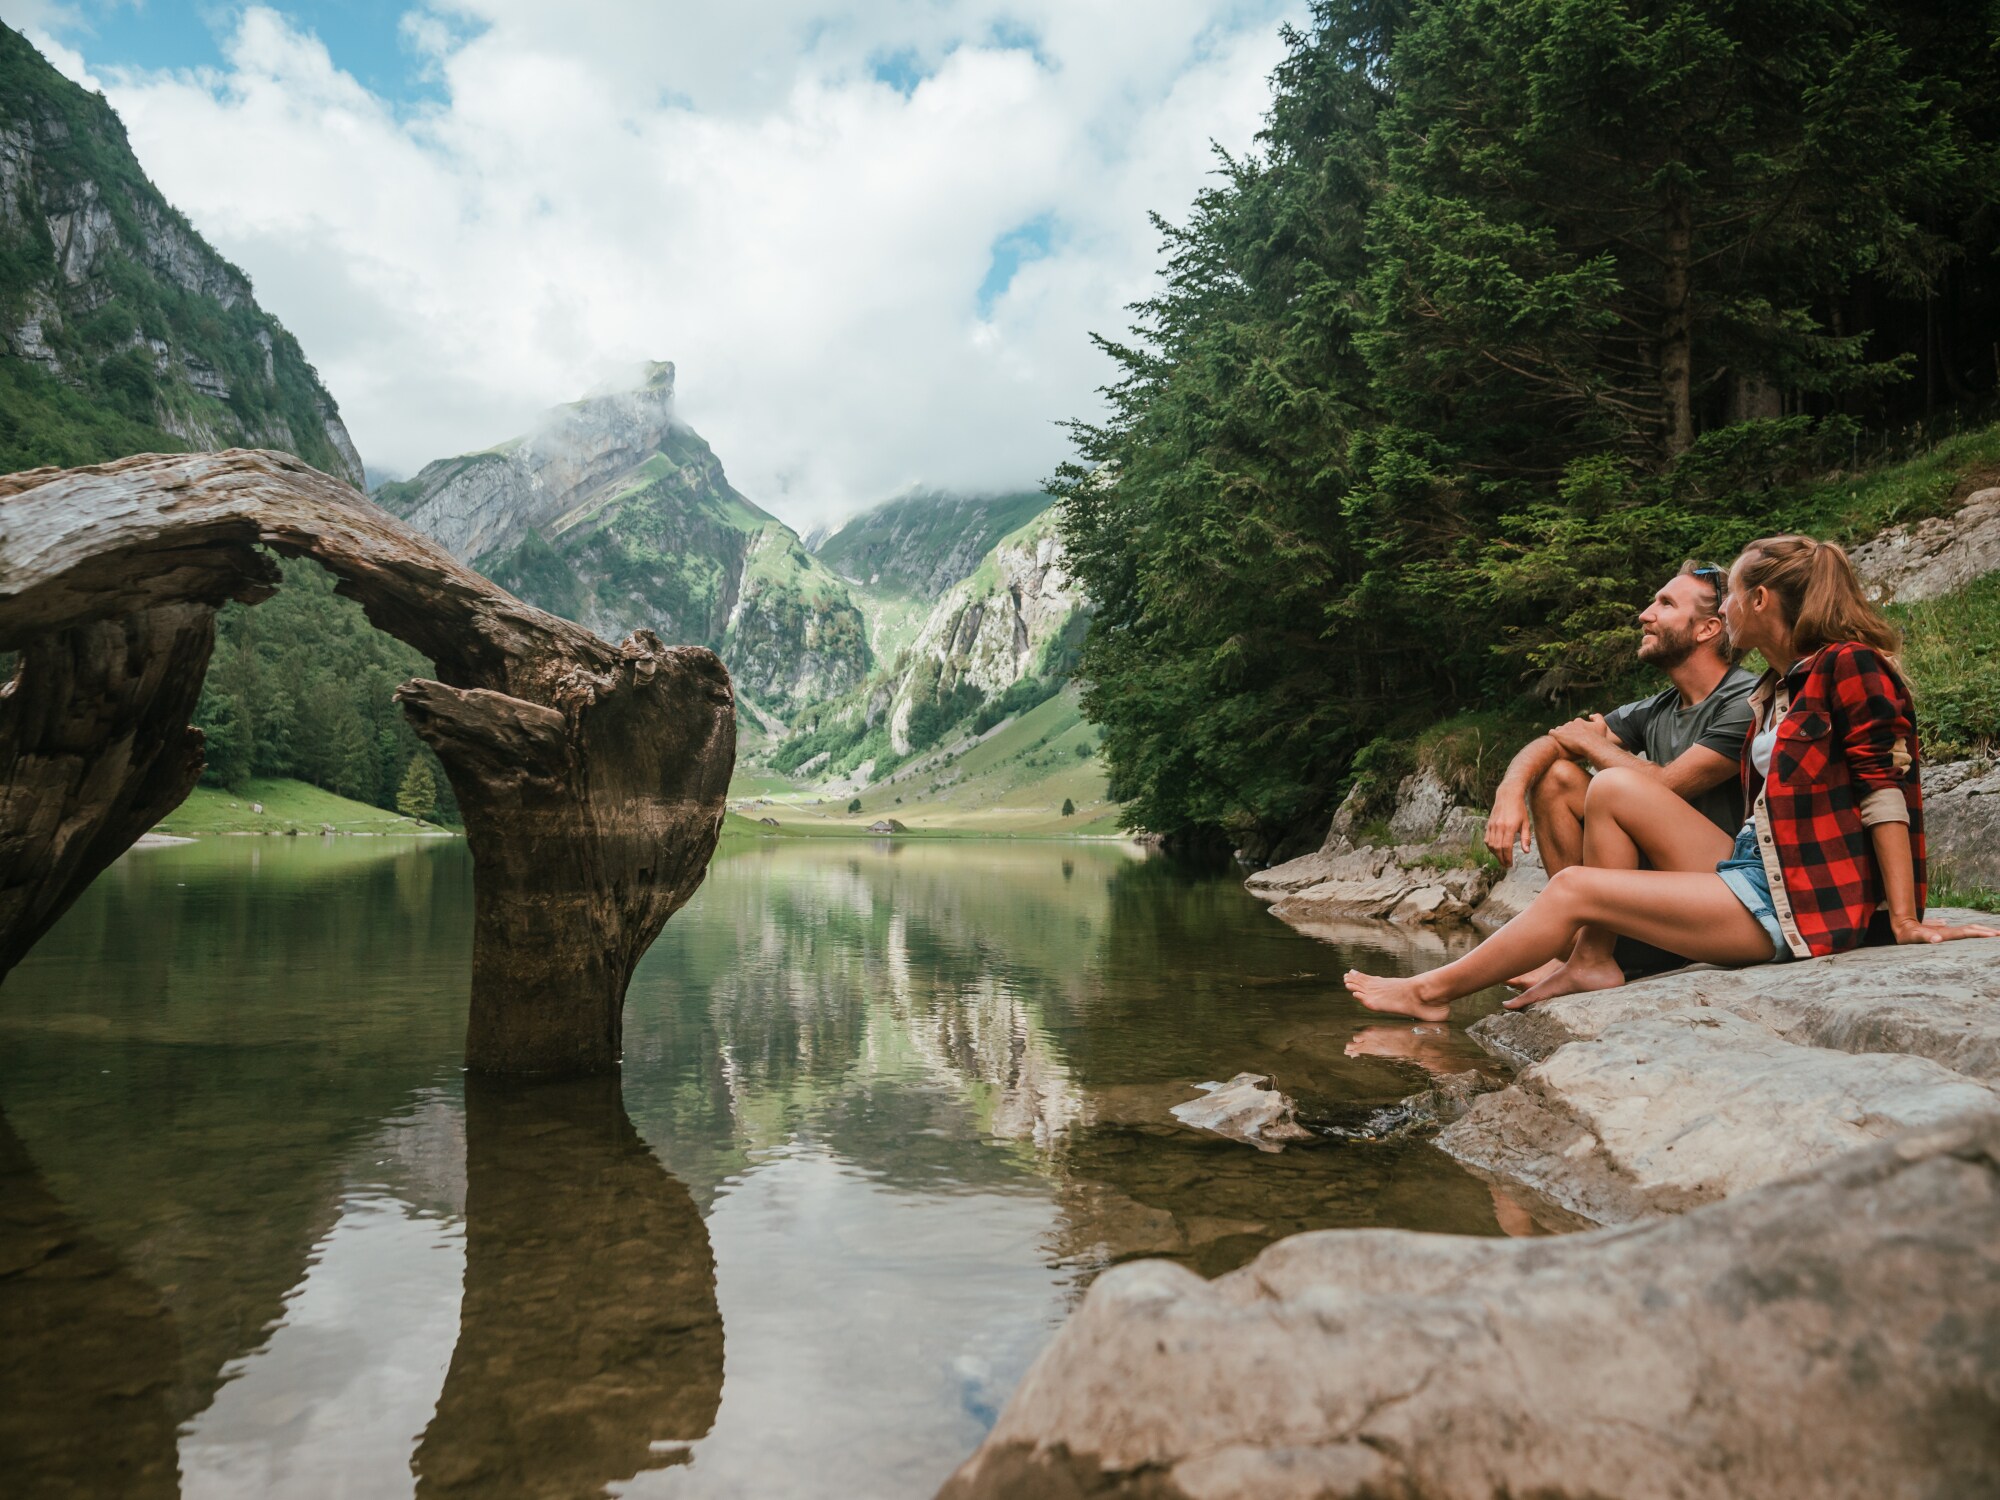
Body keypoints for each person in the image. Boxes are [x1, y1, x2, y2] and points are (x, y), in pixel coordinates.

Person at [1344, 535, 1998, 1022]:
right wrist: (1528, 779)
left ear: (1758, 601)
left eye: (1734, 593)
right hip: (1756, 867)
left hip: (1793, 904)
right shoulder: (1779, 687)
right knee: (1612, 786)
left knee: (1574, 885)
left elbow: (1884, 789)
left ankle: (1430, 993)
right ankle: (1592, 960)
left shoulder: (1849, 666)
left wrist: (1906, 921)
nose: (1730, 604)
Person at [1486, 562, 1757, 989]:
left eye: (1665, 604)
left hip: (1719, 900)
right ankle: (1585, 954)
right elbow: (1555, 743)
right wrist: (1510, 790)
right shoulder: (1658, 706)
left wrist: (1595, 745)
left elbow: (1669, 784)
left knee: (1614, 784)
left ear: (1707, 629)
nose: (1644, 614)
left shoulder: (1745, 700)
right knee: (1556, 777)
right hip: (1655, 899)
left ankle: (1592, 956)